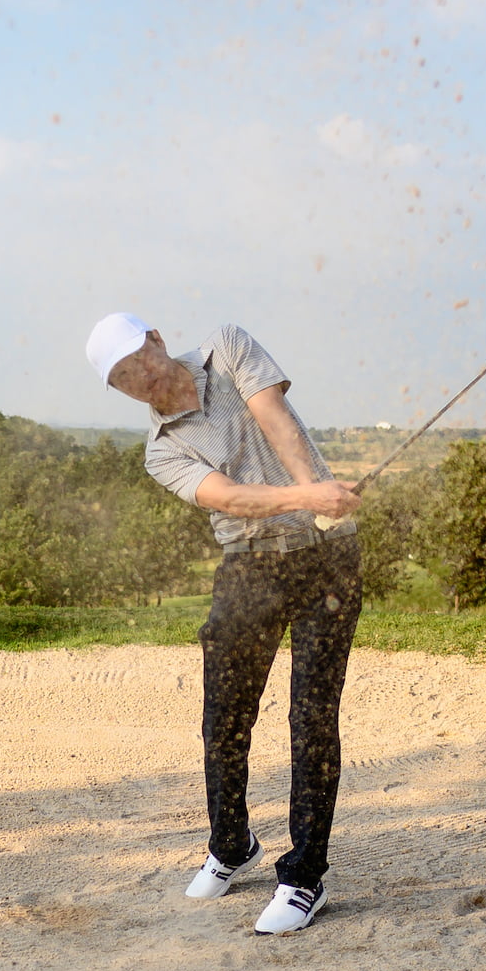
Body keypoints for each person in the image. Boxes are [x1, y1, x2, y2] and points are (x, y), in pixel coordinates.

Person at [84, 312, 361, 935]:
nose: (137, 380)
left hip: (330, 560)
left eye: (137, 362)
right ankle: (232, 843)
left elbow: (277, 421)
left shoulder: (228, 348)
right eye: (122, 379)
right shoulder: (161, 451)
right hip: (250, 566)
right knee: (224, 715)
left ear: (155, 338)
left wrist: (317, 493)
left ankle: (303, 876)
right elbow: (229, 496)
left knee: (312, 715)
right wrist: (307, 498)